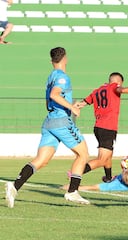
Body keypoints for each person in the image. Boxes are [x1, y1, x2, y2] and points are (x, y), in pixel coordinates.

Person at [5, 47, 90, 208]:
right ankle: (72, 192)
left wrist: (70, 105)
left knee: (41, 161)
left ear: (52, 61)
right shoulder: (62, 77)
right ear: (65, 58)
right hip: (62, 122)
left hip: (50, 121)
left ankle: (14, 186)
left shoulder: (51, 76)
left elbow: (49, 101)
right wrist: (71, 108)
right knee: (83, 154)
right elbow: (55, 95)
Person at [75, 72, 128, 183]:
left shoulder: (97, 91)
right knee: (102, 159)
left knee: (108, 156)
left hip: (99, 127)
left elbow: (81, 103)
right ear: (118, 82)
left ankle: (108, 178)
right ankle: (76, 173)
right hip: (108, 127)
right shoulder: (114, 87)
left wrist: (72, 107)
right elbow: (122, 90)